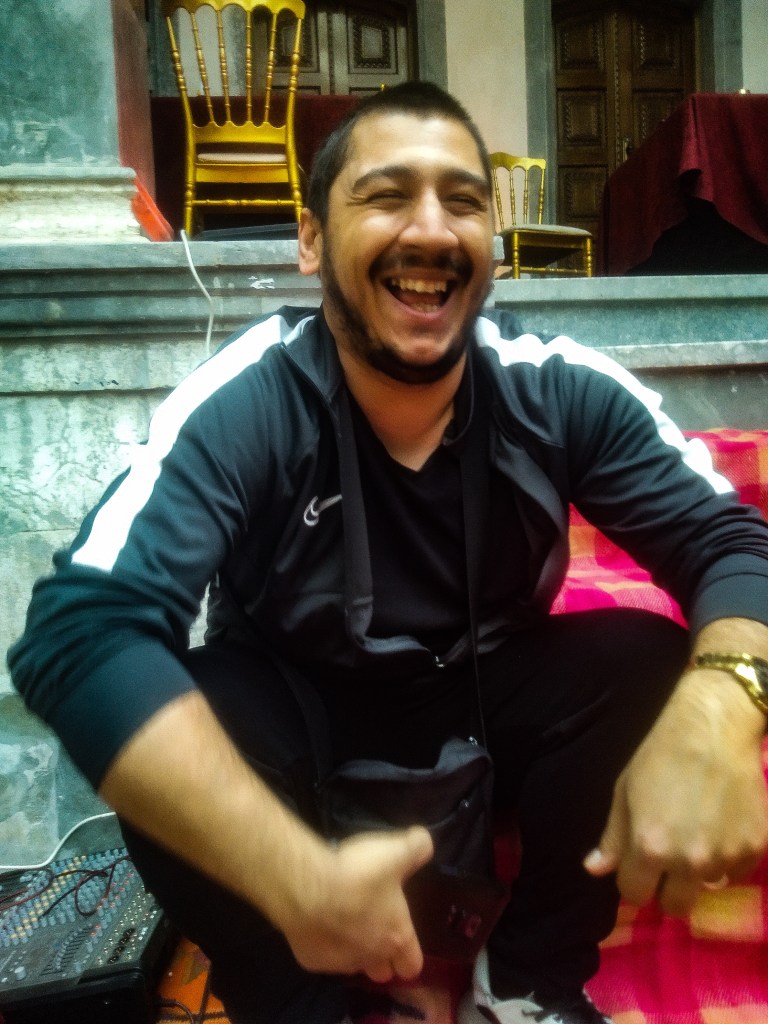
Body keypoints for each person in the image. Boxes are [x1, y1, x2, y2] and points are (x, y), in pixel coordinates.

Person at [8, 81, 768, 1024]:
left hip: (487, 697)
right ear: (312, 240)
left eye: (464, 200)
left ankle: (527, 982)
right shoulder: (251, 398)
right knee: (186, 711)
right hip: (298, 711)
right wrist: (292, 877)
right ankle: (295, 1001)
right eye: (386, 195)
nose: (431, 230)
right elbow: (81, 632)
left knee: (650, 662)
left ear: (492, 245)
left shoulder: (557, 388)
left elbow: (729, 540)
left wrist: (721, 705)